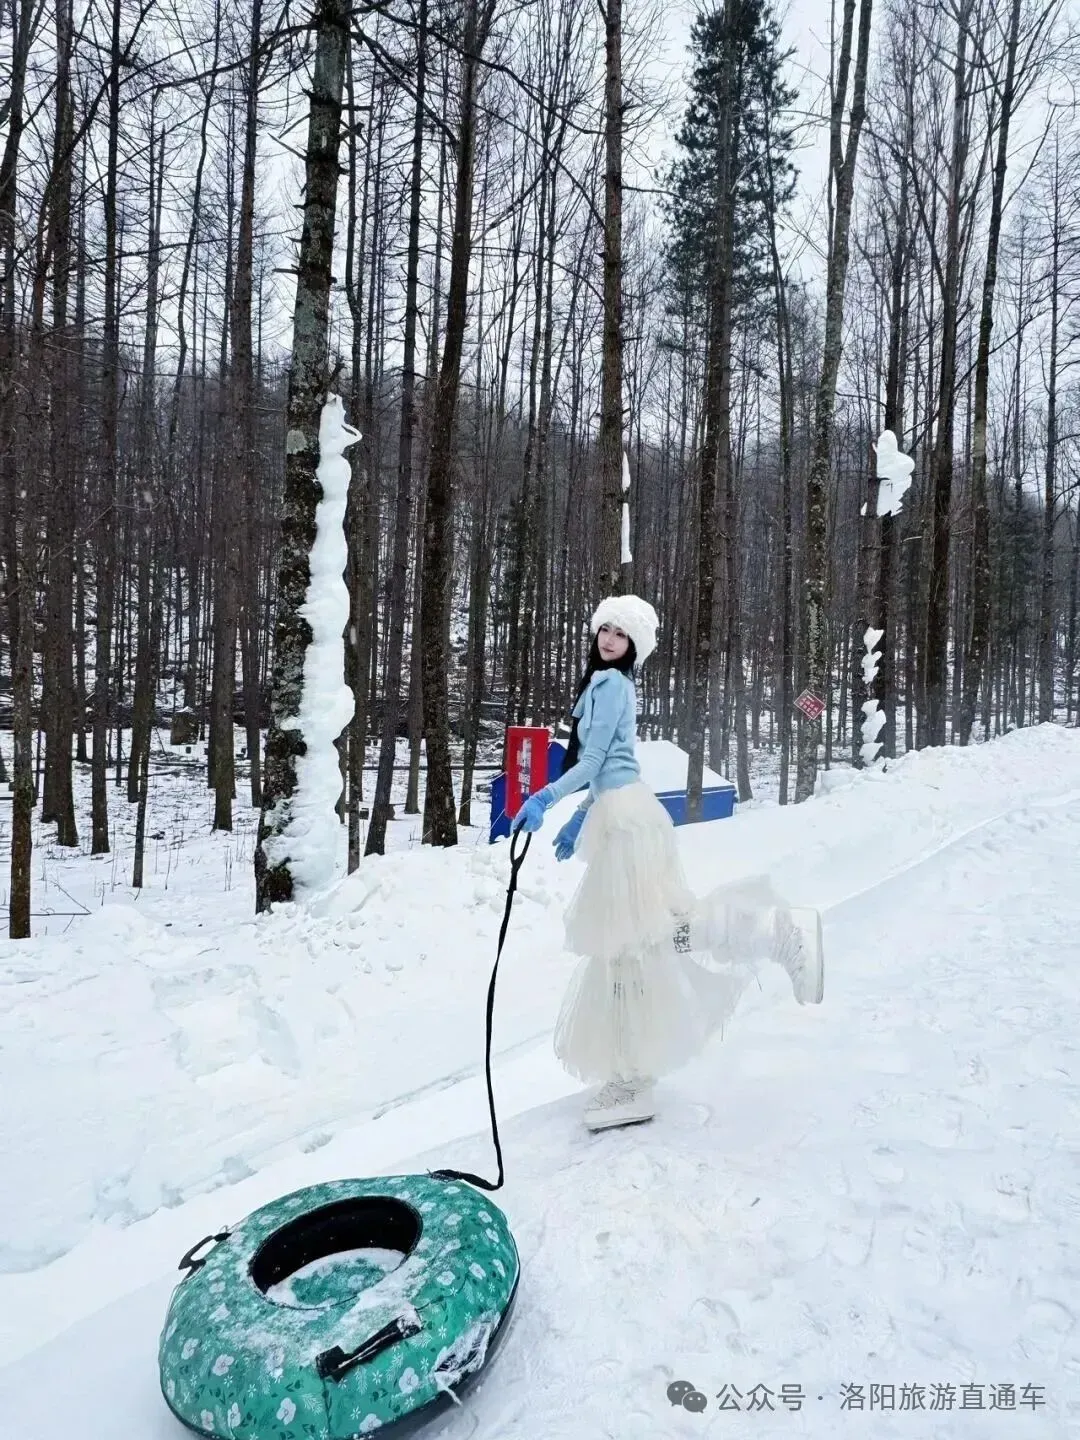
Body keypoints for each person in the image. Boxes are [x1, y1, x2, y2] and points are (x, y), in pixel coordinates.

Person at [511, 594, 823, 1132]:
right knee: (639, 943)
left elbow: (593, 760)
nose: (610, 639)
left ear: (634, 645)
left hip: (627, 823)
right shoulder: (607, 684)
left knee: (639, 943)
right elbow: (611, 765)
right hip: (622, 814)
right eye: (605, 629)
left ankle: (773, 935)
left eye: (621, 634)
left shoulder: (611, 685)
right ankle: (634, 1070)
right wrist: (579, 818)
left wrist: (545, 797)